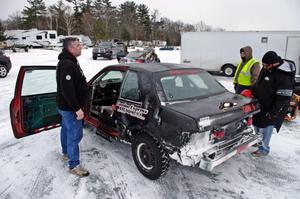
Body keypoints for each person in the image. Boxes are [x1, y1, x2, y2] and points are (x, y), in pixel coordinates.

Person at [251, 51, 295, 157]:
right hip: (260, 103)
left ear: (274, 63)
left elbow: (283, 99)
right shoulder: (267, 68)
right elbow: (259, 83)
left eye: (266, 65)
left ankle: (264, 149)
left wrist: (273, 113)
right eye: (263, 65)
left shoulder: (284, 76)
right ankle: (258, 141)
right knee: (256, 124)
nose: (264, 67)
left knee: (266, 128)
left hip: (272, 108)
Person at [56, 37, 89, 177]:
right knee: (75, 134)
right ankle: (74, 165)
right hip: (70, 108)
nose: (80, 47)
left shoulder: (69, 61)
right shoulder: (68, 65)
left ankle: (66, 153)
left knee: (66, 129)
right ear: (70, 48)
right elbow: (67, 90)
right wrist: (77, 109)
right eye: (77, 45)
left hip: (65, 106)